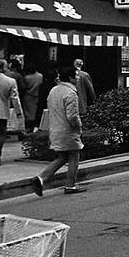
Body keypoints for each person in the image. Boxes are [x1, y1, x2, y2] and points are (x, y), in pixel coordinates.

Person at [29, 65, 86, 196]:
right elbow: (72, 116)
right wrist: (79, 126)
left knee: (62, 156)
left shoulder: (54, 90)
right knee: (73, 156)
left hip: (55, 129)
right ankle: (70, 185)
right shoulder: (71, 93)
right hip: (68, 130)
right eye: (76, 76)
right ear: (71, 78)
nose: (77, 78)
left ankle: (41, 178)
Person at [21, 63, 44, 131]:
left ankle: (28, 127)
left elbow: (24, 87)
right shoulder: (40, 76)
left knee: (28, 113)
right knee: (35, 112)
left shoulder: (26, 78)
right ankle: (34, 126)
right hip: (37, 95)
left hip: (28, 96)